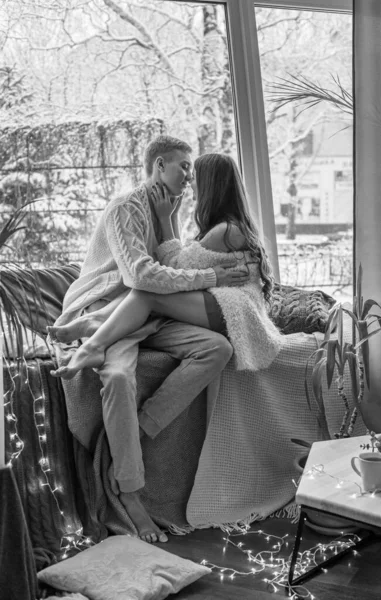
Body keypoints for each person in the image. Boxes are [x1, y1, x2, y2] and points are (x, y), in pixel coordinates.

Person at [49, 136, 250, 546]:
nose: (189, 177)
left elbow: (168, 267)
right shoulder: (127, 206)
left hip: (150, 311)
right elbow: (141, 276)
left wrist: (169, 225)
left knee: (217, 348)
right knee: (120, 379)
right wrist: (211, 277)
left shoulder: (167, 209)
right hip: (108, 307)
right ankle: (130, 490)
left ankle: (137, 432)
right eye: (183, 168)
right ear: (159, 166)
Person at [49, 153, 282, 379]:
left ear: (212, 185)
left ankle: (94, 342)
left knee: (146, 292)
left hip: (229, 309)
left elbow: (176, 264)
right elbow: (184, 268)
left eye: (195, 177)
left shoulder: (225, 231)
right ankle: (93, 324)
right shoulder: (230, 227)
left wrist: (165, 218)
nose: (190, 182)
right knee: (148, 288)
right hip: (227, 306)